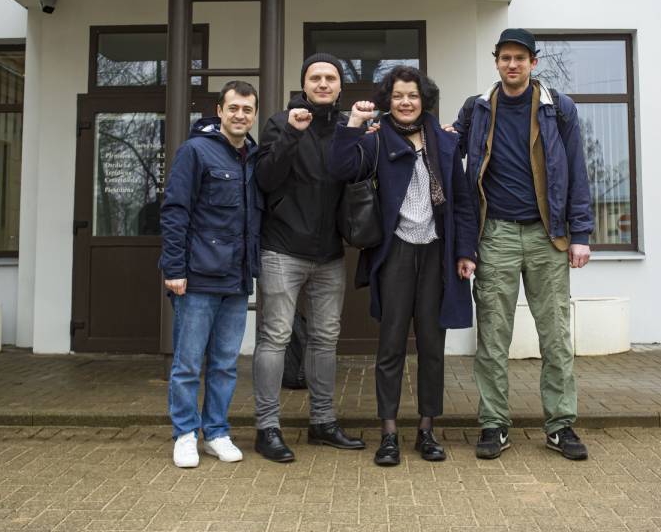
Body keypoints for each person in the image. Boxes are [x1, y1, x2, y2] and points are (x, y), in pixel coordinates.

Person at [452, 28, 594, 461]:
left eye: (520, 58)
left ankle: (560, 425)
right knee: (493, 337)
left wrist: (580, 235)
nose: (512, 65)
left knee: (556, 336)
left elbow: (577, 170)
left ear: (533, 62)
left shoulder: (558, 109)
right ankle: (494, 425)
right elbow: (447, 151)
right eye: (505, 58)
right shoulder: (476, 109)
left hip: (547, 236)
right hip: (494, 235)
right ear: (496, 61)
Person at [328, 66, 477, 467]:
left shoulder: (445, 142)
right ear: (388, 101)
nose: (406, 102)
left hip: (436, 253)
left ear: (424, 100)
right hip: (394, 251)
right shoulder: (376, 140)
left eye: (412, 95)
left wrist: (466, 252)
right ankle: (389, 433)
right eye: (397, 96)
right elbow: (341, 168)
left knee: (432, 345)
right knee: (391, 345)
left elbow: (463, 202)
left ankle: (427, 430)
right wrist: (353, 125)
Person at [251, 53, 365, 462]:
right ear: (304, 84)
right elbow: (265, 179)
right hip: (282, 249)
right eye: (315, 77)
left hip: (329, 253)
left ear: (339, 86)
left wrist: (361, 131)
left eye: (330, 78)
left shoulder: (346, 126)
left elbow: (356, 176)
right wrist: (292, 135)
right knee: (275, 338)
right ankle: (267, 427)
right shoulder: (281, 122)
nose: (322, 84)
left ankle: (323, 422)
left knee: (325, 340)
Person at [158, 80, 261, 469]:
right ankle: (185, 434)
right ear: (219, 111)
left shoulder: (254, 157)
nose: (240, 115)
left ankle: (216, 432)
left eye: (247, 109)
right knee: (187, 364)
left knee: (224, 364)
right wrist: (174, 268)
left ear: (254, 115)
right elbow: (175, 211)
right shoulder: (195, 151)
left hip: (237, 279)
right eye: (233, 108)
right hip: (198, 277)